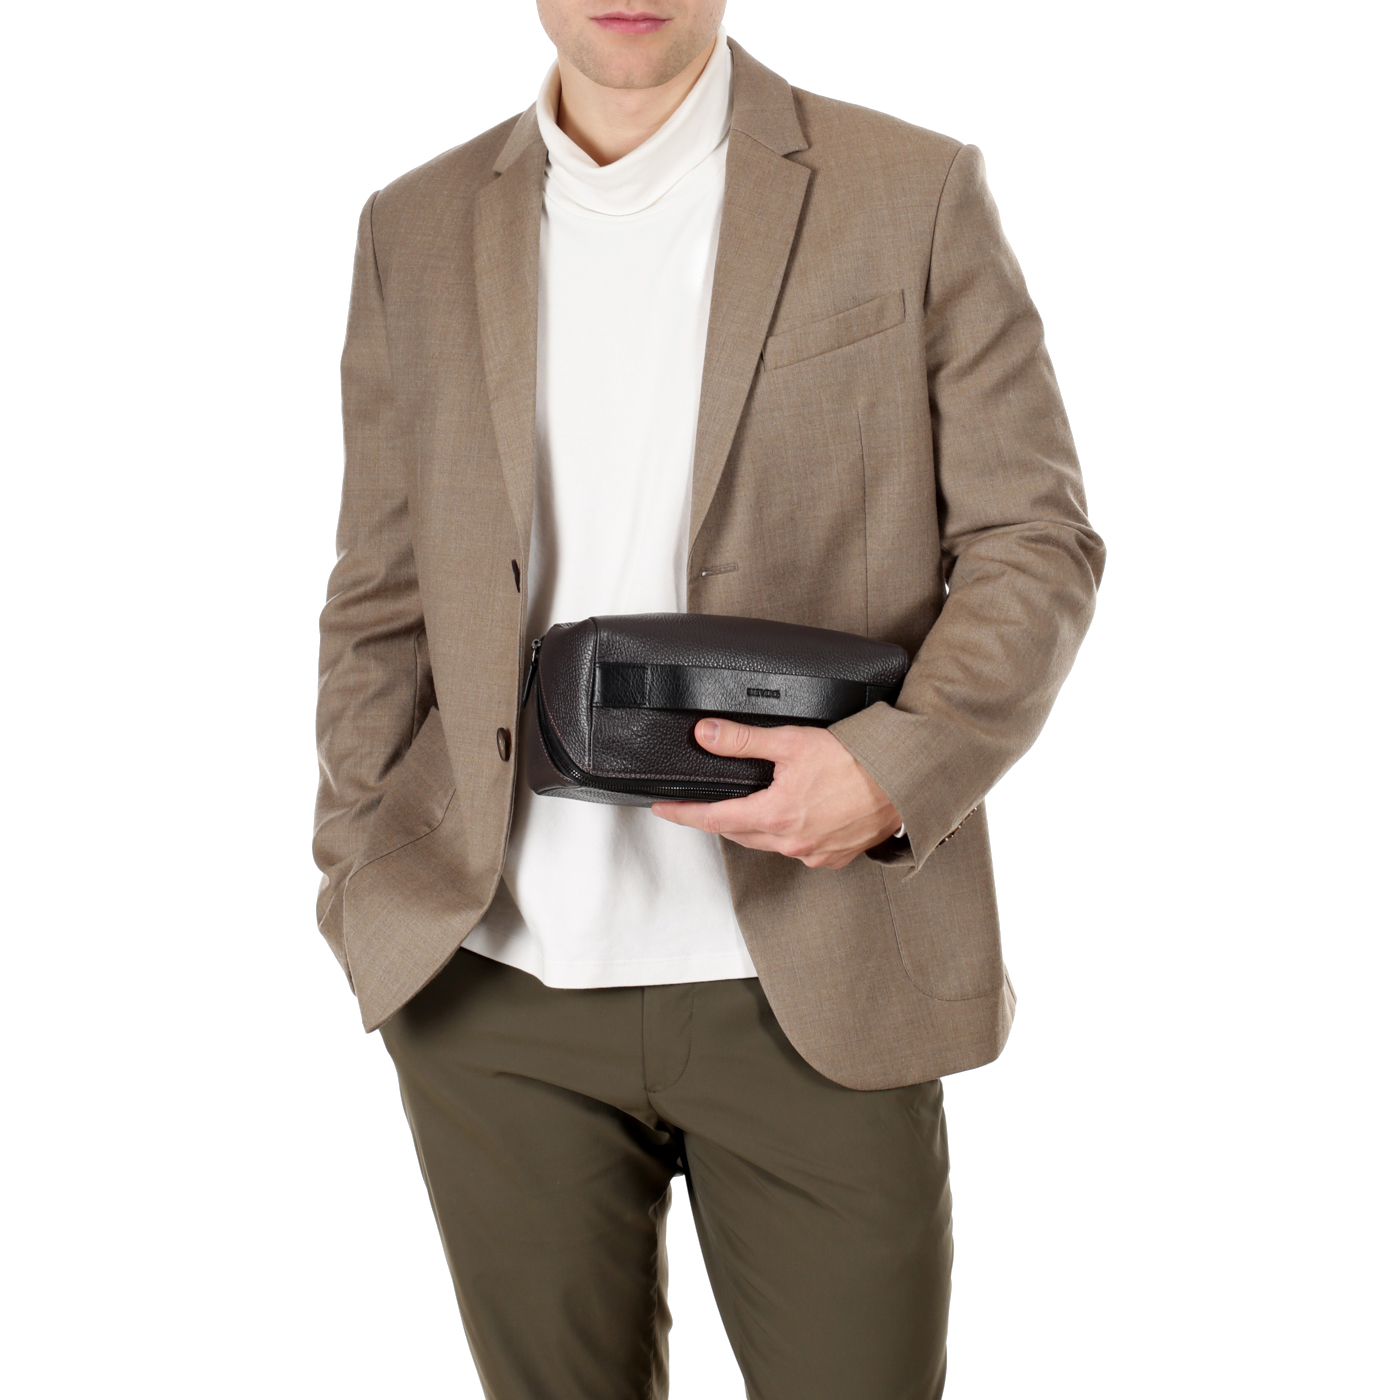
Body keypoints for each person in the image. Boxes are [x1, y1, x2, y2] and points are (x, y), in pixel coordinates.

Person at [313, 2, 1105, 1395]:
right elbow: (379, 592)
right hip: (492, 989)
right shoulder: (413, 226)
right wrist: (361, 874)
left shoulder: (910, 187)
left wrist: (895, 772)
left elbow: (1033, 541)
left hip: (815, 969)